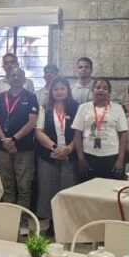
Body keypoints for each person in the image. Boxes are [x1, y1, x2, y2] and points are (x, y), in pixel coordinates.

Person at [0, 67, 39, 210]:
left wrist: (13, 139)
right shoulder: (1, 97)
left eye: (19, 75)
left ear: (24, 79)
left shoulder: (31, 97)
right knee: (6, 186)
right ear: (8, 78)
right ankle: (8, 217)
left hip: (24, 148)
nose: (16, 78)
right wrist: (4, 140)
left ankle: (22, 218)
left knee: (24, 187)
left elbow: (31, 122)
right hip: (3, 148)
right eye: (13, 75)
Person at [34, 76, 78, 231]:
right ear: (51, 91)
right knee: (48, 189)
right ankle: (51, 223)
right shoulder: (44, 108)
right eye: (56, 89)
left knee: (67, 189)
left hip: (70, 155)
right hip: (48, 155)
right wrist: (54, 148)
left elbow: (80, 133)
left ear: (68, 90)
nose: (59, 92)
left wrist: (68, 149)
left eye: (62, 88)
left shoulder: (77, 108)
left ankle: (66, 224)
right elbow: (39, 132)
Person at [72, 78, 128, 180]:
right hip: (88, 155)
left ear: (109, 92)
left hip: (111, 156)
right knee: (88, 187)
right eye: (98, 87)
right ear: (92, 90)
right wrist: (81, 158)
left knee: (110, 187)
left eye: (105, 88)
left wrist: (120, 160)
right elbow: (77, 134)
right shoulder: (83, 107)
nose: (101, 90)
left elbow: (123, 135)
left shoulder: (117, 108)